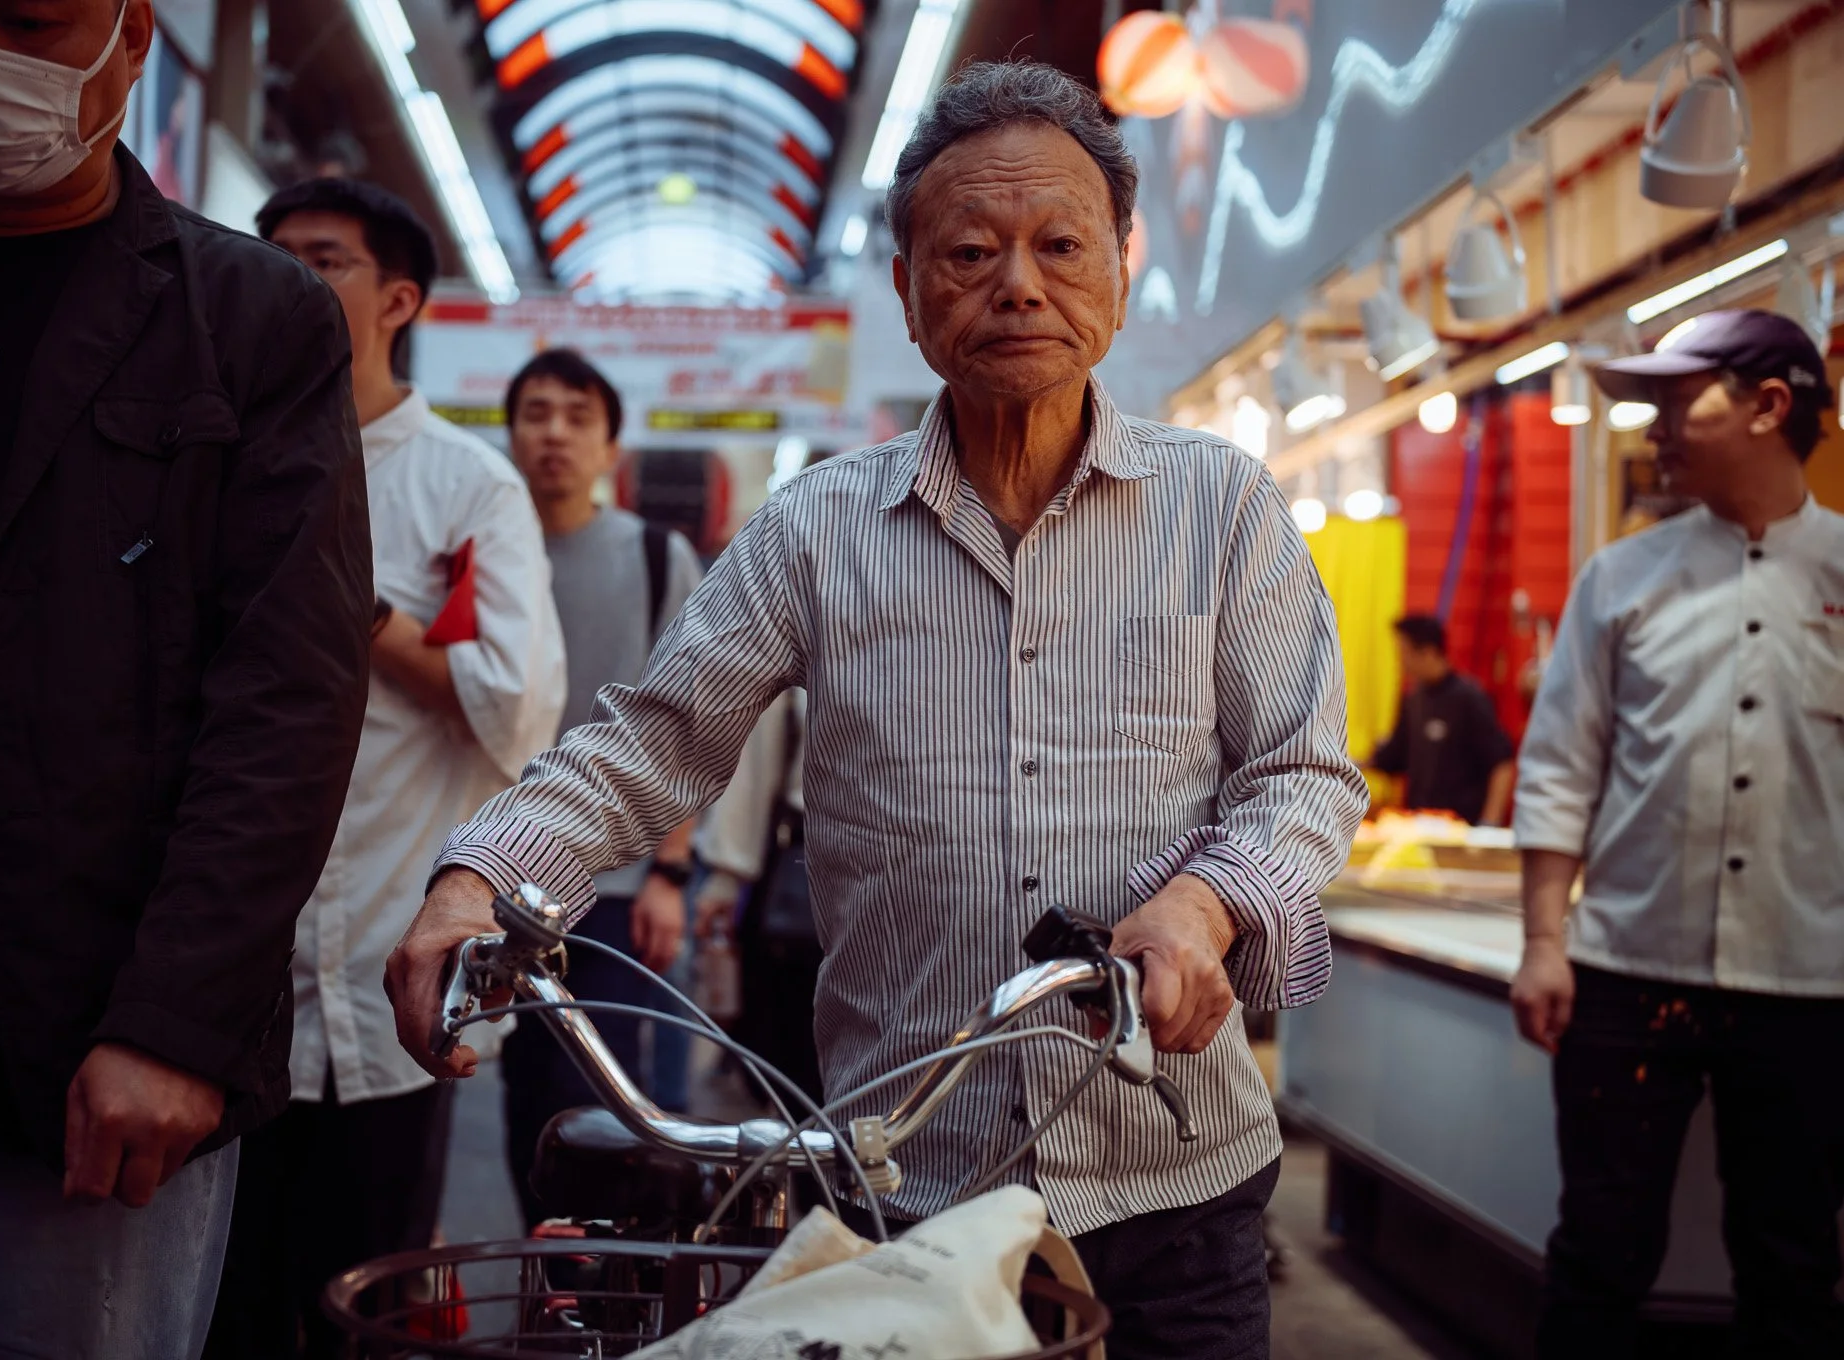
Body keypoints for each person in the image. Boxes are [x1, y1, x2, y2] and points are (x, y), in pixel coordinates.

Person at [389, 62, 1367, 1355]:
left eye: (1060, 245)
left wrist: (1207, 903)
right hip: (905, 1174)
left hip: (1170, 1177)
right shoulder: (816, 530)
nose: (1018, 283)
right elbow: (650, 744)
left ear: (1118, 274)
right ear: (906, 293)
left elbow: (1303, 775)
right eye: (968, 251)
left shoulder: (1222, 508)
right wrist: (477, 880)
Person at [0, 2, 373, 1356]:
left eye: (31, 18)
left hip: (68, 1076)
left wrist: (177, 1023)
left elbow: (285, 702)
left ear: (132, 38)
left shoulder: (247, 320)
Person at [197, 180, 565, 1358]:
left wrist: (358, 613)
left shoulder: (465, 484)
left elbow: (518, 704)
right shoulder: (213, 458)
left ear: (398, 300)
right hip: (219, 976)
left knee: (365, 1307)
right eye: (272, 256)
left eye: (322, 259)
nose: (287, 280)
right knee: (221, 1307)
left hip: (381, 974)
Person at [1510, 309, 1844, 1358]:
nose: (1652, 426)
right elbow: (1559, 766)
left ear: (1769, 406)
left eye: (1675, 400)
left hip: (1807, 981)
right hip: (1623, 972)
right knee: (1596, 1253)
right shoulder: (1620, 578)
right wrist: (1543, 940)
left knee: (1793, 1262)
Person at [494, 348, 704, 1218]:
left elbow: (692, 719)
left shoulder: (656, 555)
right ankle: (545, 1271)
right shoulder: (484, 555)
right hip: (500, 882)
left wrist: (670, 871)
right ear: (511, 433)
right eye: (536, 413)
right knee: (523, 1093)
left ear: (610, 445)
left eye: (578, 418)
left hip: (615, 885)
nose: (555, 434)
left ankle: (609, 1278)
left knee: (609, 1097)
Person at [694, 688, 824, 1102]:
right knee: (797, 1050)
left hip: (926, 881)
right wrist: (726, 877)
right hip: (805, 868)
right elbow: (754, 766)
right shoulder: (819, 655)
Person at [1369, 614, 1516, 826]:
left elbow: (1501, 762)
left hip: (1460, 828)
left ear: (1427, 653)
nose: (1401, 662)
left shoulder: (1469, 698)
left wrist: (1489, 823)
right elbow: (1393, 757)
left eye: (1404, 653)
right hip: (1419, 825)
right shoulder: (1413, 700)